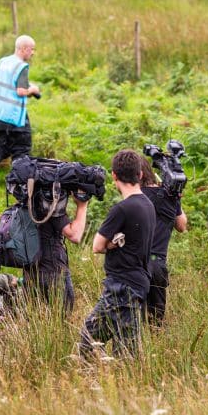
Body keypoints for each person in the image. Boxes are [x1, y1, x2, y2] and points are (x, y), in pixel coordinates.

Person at [79, 150, 156, 359]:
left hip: (122, 286)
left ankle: (113, 385)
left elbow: (96, 246)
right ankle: (116, 383)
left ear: (114, 176)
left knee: (90, 341)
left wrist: (111, 245)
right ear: (140, 175)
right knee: (122, 346)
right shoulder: (148, 204)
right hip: (138, 282)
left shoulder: (121, 209)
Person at [0, 35, 41, 188]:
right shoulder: (22, 66)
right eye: (32, 49)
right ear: (24, 49)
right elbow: (20, 90)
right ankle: (19, 185)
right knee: (22, 150)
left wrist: (26, 85)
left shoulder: (4, 62)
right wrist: (33, 89)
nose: (33, 53)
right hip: (15, 118)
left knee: (2, 147)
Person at [140, 157, 188, 326]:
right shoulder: (169, 195)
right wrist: (175, 198)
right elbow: (182, 226)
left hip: (137, 263)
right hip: (158, 264)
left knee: (134, 318)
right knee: (156, 320)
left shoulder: (135, 197)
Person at [22, 193, 89, 314]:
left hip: (30, 270)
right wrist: (82, 205)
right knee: (63, 317)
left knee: (35, 320)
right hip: (53, 271)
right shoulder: (49, 205)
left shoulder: (27, 201)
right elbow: (75, 235)